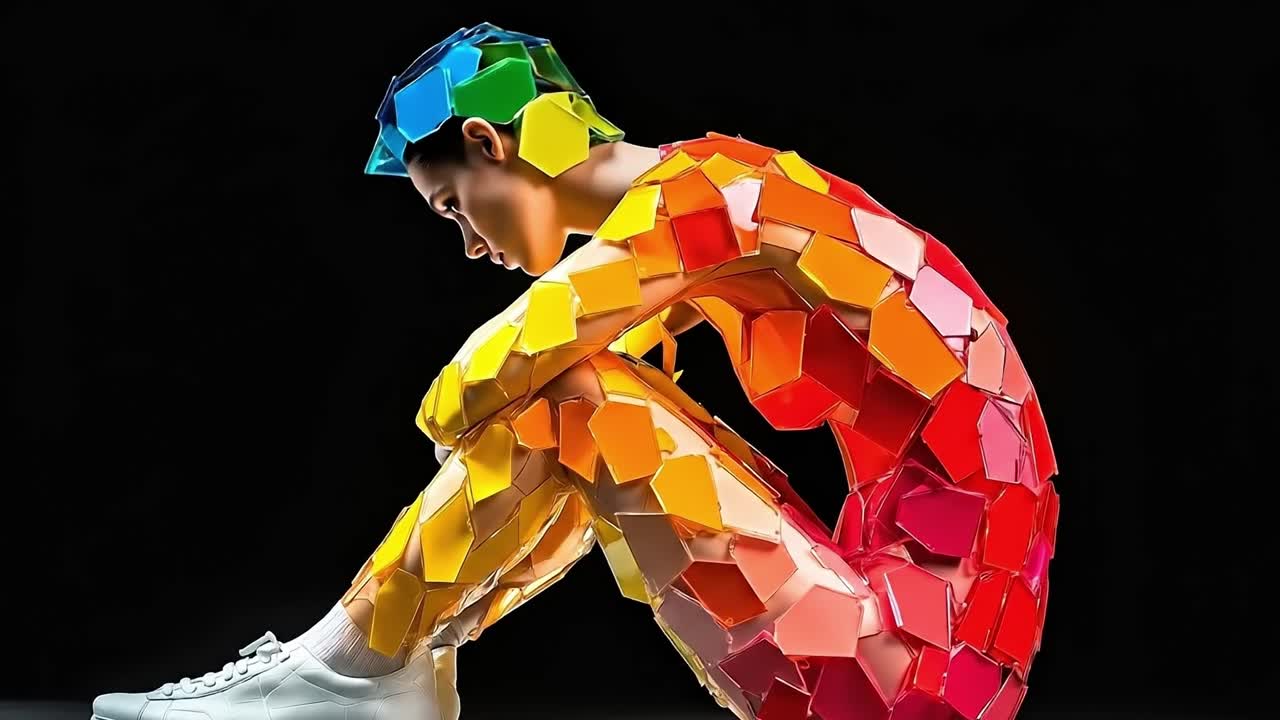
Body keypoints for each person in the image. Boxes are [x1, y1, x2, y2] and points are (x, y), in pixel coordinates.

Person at [92, 22, 1059, 720]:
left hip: (910, 673)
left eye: (453, 209)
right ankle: (374, 665)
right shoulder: (735, 198)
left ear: (487, 143)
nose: (469, 244)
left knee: (569, 399)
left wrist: (474, 417)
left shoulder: (706, 198)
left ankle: (349, 670)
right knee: (572, 401)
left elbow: (468, 388)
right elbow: (554, 431)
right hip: (916, 641)